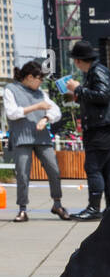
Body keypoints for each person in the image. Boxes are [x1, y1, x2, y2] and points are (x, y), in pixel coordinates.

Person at [64, 39, 110, 221]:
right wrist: (79, 96)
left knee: (93, 167)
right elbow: (100, 98)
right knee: (106, 170)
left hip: (102, 129)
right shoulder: (96, 72)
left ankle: (94, 208)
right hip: (105, 127)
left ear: (79, 60)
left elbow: (103, 96)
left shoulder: (97, 72)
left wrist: (79, 89)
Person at [3, 60, 69, 221]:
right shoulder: (11, 90)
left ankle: (57, 204)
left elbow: (56, 111)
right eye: (39, 79)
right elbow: (11, 113)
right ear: (30, 77)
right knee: (23, 174)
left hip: (42, 138)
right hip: (21, 139)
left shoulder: (41, 93)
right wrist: (36, 108)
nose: (41, 82)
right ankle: (22, 209)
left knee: (54, 169)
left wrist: (46, 118)